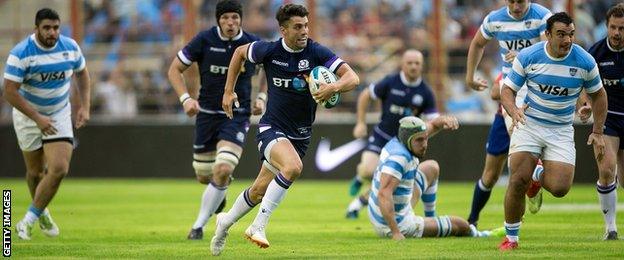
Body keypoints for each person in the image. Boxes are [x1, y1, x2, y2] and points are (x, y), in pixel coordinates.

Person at [210, 3, 360, 255]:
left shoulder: (316, 52)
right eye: (297, 27)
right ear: (283, 30)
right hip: (272, 127)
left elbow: (352, 78)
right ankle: (258, 226)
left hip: (300, 135)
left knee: (258, 191)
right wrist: (228, 91)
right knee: (293, 167)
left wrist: (333, 88)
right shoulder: (268, 51)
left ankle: (224, 222)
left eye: (306, 25)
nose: (304, 31)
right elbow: (238, 53)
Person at [499, 12, 608, 250]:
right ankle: (511, 239)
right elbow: (506, 91)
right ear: (547, 35)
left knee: (560, 188)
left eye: (570, 34)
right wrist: (513, 110)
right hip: (529, 123)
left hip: (560, 129)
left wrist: (598, 131)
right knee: (518, 180)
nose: (567, 40)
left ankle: (537, 176)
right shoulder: (529, 56)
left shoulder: (585, 61)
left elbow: (599, 95)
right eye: (561, 34)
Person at [167, 0, 267, 240]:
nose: (230, 23)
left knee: (222, 168)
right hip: (206, 115)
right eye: (225, 18)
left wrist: (262, 97)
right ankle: (219, 190)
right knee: (205, 176)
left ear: (241, 19)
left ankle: (198, 226)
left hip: (237, 115)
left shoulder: (252, 43)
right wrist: (185, 99)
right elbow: (174, 70)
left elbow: (269, 69)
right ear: (217, 20)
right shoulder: (204, 40)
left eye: (234, 17)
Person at [3, 8, 91, 240]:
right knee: (35, 172)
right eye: (47, 28)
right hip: (27, 117)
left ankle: (28, 220)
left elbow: (82, 74)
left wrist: (85, 106)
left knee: (59, 168)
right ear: (37, 29)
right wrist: (37, 118)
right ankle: (42, 212)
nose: (52, 33)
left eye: (56, 28)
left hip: (59, 113)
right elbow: (10, 93)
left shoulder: (70, 47)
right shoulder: (21, 53)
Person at [464, 0, 552, 227]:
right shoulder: (495, 19)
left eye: (520, 1)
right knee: (491, 174)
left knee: (519, 163)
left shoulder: (543, 17)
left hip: (532, 96)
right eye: (511, 1)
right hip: (507, 96)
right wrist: (470, 77)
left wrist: (524, 56)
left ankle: (530, 184)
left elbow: (550, 53)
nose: (516, 6)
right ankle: (472, 221)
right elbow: (477, 44)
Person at [368, 116, 501, 240]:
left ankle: (430, 219)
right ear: (407, 139)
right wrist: (396, 232)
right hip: (394, 223)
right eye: (419, 140)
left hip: (391, 210)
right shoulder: (399, 158)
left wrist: (444, 120)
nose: (425, 144)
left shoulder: (400, 141)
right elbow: (384, 194)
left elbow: (433, 125)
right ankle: (479, 234)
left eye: (425, 138)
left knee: (432, 167)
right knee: (461, 225)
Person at [345, 49, 439, 219]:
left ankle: (358, 203)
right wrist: (360, 122)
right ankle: (360, 177)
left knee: (388, 180)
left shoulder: (426, 92)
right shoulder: (390, 82)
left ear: (421, 66)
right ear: (402, 65)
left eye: (417, 63)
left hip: (403, 144)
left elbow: (433, 121)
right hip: (382, 135)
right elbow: (366, 94)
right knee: (368, 171)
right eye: (409, 63)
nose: (413, 67)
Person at [587, 3, 624, 241]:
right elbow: (583, 83)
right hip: (607, 120)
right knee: (607, 168)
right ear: (606, 26)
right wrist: (585, 104)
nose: (617, 33)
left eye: (622, 28)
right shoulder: (595, 53)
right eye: (613, 27)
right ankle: (610, 228)